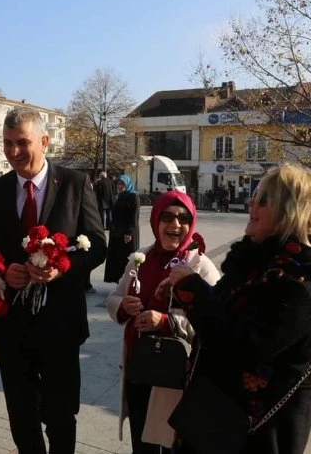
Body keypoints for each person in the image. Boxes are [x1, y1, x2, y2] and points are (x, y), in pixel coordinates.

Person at [166, 163, 311, 454]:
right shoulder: (260, 264)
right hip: (212, 422)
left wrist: (192, 289)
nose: (251, 202)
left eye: (263, 199)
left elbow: (238, 346)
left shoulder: (301, 286)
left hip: (254, 439)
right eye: (255, 195)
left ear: (292, 212)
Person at [0, 107, 107, 453]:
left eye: (22, 143)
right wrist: (3, 271)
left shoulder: (75, 184)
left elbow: (98, 244)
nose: (14, 152)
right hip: (13, 325)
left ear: (44, 142)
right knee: (21, 415)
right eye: (7, 144)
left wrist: (63, 267)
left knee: (61, 413)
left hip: (61, 323)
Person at [107, 190, 220, 453]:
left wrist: (166, 321)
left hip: (174, 379)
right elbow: (115, 296)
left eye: (183, 218)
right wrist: (123, 306)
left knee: (168, 443)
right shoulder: (141, 258)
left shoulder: (199, 266)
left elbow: (216, 321)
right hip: (139, 370)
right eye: (167, 217)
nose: (175, 225)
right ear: (155, 220)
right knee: (142, 444)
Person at [104, 174, 140, 284]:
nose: (120, 186)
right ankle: (118, 281)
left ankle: (127, 282)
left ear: (127, 184)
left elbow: (134, 216)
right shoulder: (119, 196)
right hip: (117, 232)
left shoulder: (133, 197)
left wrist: (128, 232)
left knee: (125, 258)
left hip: (127, 232)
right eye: (119, 184)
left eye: (122, 184)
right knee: (117, 258)